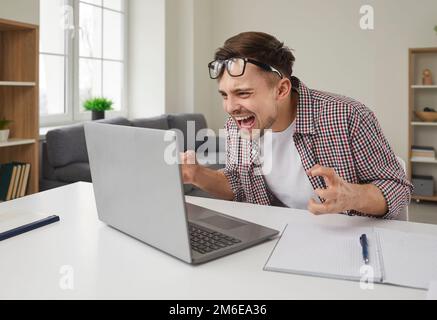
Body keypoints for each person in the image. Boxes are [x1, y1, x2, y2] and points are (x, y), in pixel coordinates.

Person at [181, 31, 413, 219]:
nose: (230, 107)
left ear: (281, 89)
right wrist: (197, 175)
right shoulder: (237, 127)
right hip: (275, 239)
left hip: (348, 241)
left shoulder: (348, 116)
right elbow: (238, 186)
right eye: (224, 95)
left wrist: (354, 197)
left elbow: (398, 188)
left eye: (243, 93)